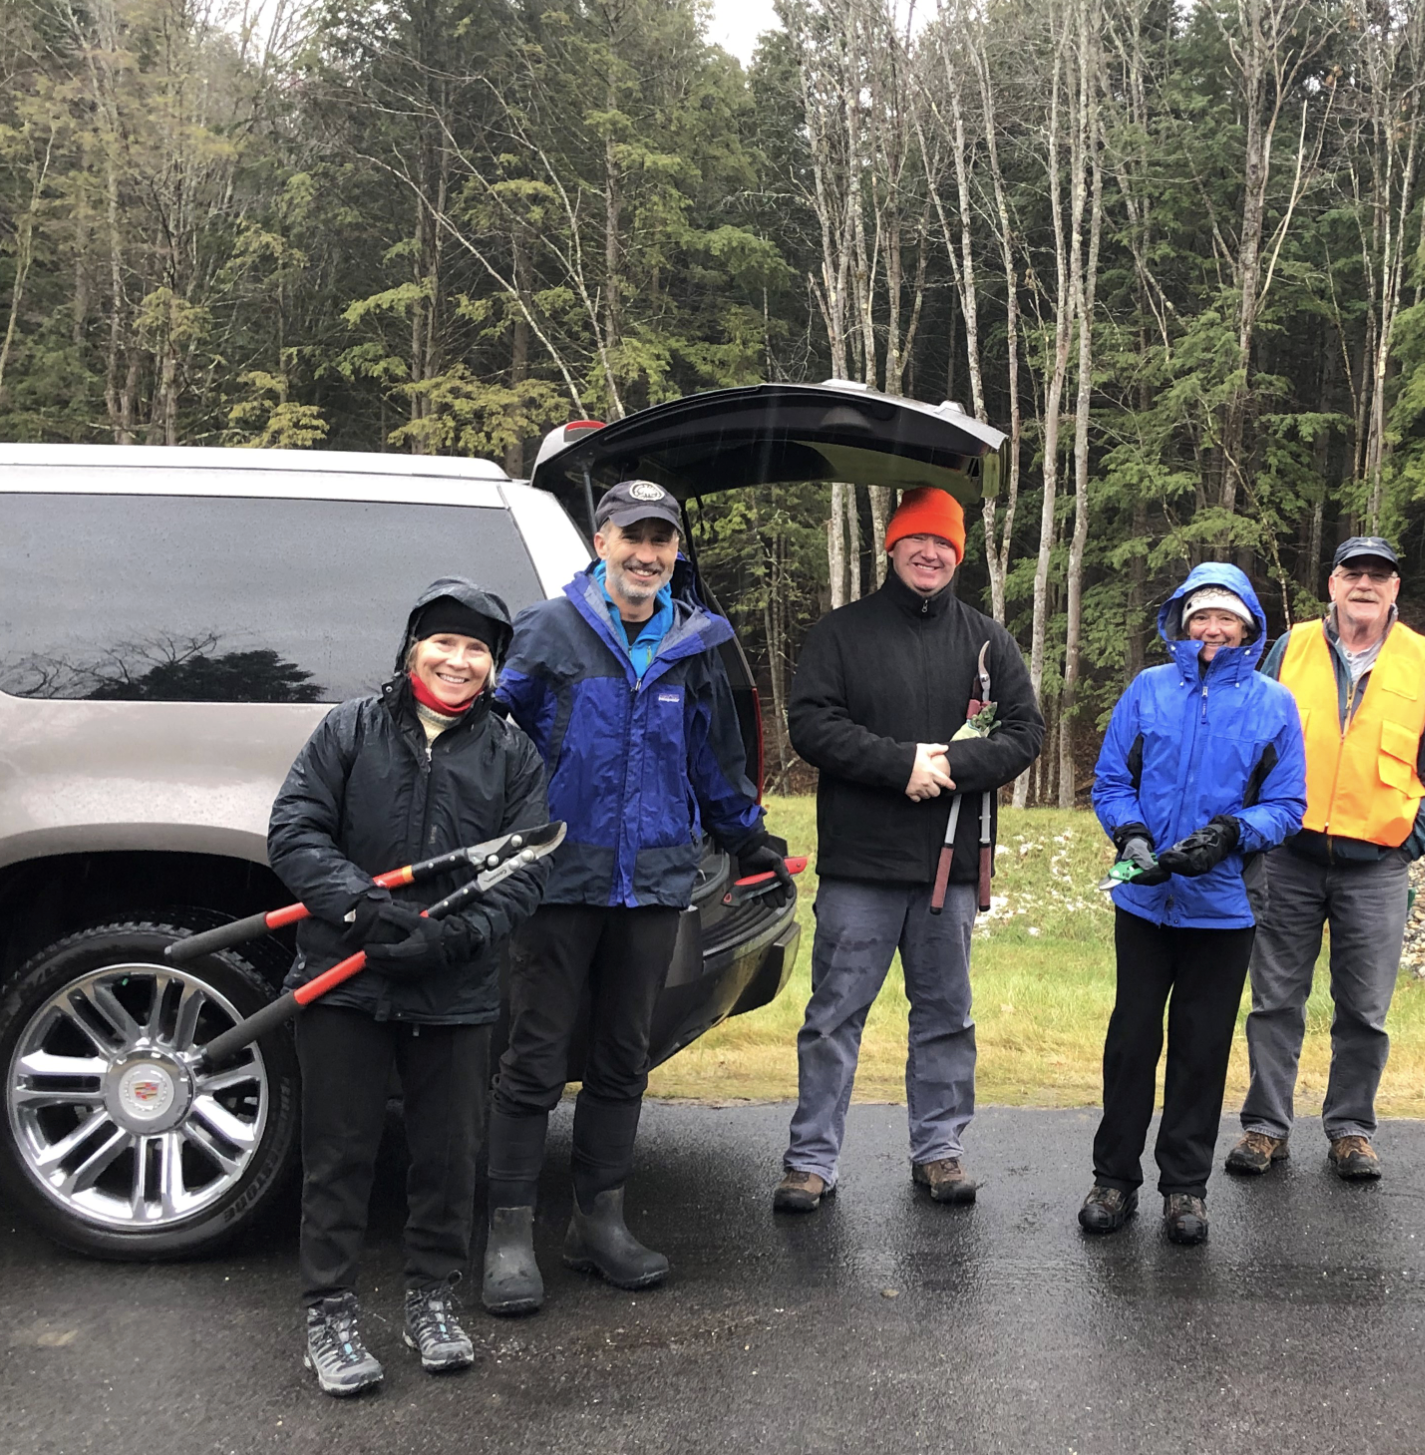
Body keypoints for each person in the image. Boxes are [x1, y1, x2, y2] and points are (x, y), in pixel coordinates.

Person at [484, 479, 784, 1313]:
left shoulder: (692, 642)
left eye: (662, 541)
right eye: (632, 537)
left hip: (653, 883)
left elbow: (713, 760)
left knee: (623, 1056)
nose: (647, 554)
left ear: (674, 552)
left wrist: (744, 832)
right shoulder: (548, 631)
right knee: (535, 1057)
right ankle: (508, 1234)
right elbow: (491, 740)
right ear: (602, 542)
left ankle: (597, 1225)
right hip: (561, 879)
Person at [267, 578, 550, 1397]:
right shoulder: (349, 730)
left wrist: (455, 934)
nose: (458, 661)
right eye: (445, 643)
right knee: (339, 1156)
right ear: (412, 648)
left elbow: (525, 870)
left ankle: (432, 1298)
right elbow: (295, 830)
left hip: (456, 992)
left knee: (448, 1157)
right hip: (344, 981)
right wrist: (365, 909)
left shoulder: (513, 753)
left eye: (477, 650)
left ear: (493, 669)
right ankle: (329, 1311)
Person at [774, 485, 1044, 1212]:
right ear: (891, 547)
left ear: (958, 554)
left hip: (948, 869)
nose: (931, 554)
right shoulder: (841, 633)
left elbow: (1025, 733)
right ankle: (811, 1162)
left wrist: (952, 769)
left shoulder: (988, 640)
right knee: (833, 1016)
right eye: (917, 541)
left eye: (945, 544)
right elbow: (811, 725)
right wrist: (902, 767)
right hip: (861, 864)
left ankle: (940, 1151)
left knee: (947, 1016)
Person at [1228, 535, 1425, 1182]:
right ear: (1332, 584)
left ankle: (1352, 1130)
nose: (1365, 583)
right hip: (1289, 857)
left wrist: (1411, 840)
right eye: (1353, 572)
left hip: (1377, 869)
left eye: (1379, 575)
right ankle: (1265, 1126)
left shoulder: (1422, 663)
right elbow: (1249, 741)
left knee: (1364, 1010)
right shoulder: (1291, 647)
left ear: (1394, 590)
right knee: (1274, 1000)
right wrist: (1252, 831)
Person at [1082, 564, 1307, 1245]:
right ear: (1181, 623)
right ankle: (1113, 1180)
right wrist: (1133, 834)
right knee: (1131, 1041)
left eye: (1226, 618)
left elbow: (1288, 804)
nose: (1212, 629)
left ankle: (1185, 1189)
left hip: (1226, 905)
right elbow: (1112, 780)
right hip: (1146, 899)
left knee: (1201, 1048)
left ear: (1248, 627)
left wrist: (1233, 833)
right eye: (1200, 617)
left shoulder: (1274, 703)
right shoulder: (1148, 690)